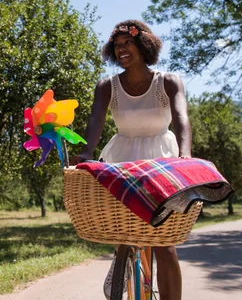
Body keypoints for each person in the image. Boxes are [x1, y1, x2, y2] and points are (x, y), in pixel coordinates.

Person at [70, 20, 192, 300]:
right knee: (123, 230)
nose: (122, 49)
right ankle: (123, 261)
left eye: (128, 43)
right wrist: (87, 151)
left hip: (162, 161)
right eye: (117, 45)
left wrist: (185, 154)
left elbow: (182, 119)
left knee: (165, 245)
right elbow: (95, 122)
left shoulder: (168, 82)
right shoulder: (107, 87)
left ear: (143, 45)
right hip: (122, 161)